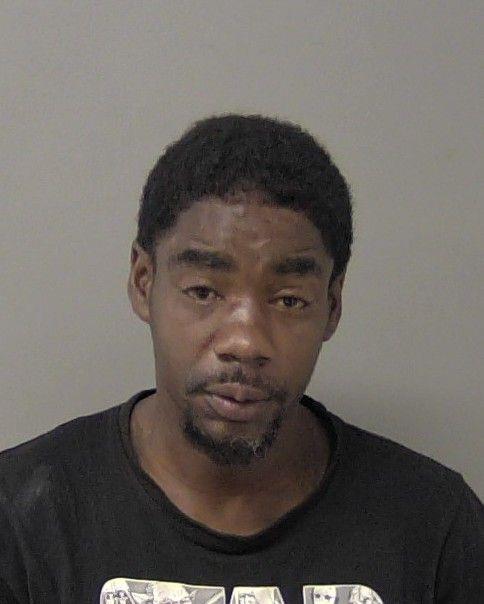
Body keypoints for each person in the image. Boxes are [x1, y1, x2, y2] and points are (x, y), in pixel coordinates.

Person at [0, 114, 482, 603]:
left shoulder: (434, 526)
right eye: (204, 291)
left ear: (332, 306)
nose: (246, 342)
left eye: (289, 300)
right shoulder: (22, 519)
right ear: (144, 282)